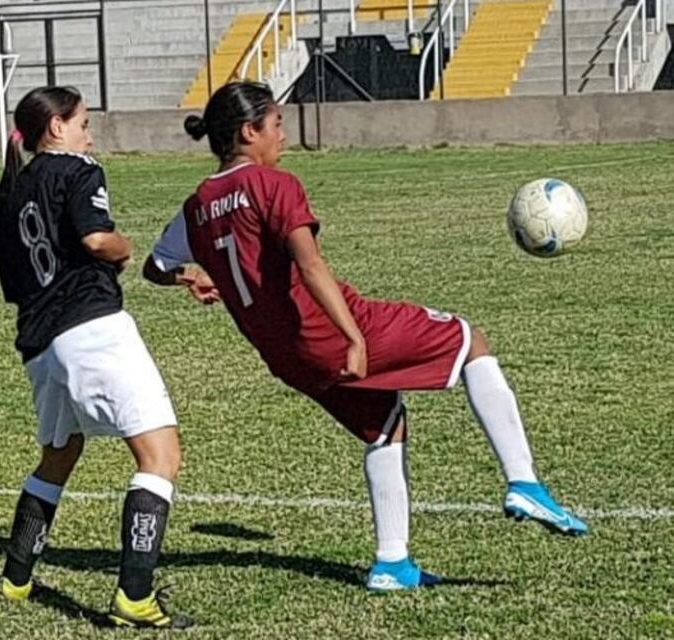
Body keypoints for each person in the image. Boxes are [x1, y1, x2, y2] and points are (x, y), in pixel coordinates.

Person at [143, 82, 588, 592]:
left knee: (383, 424)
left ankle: (392, 564)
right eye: (277, 124)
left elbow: (155, 267)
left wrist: (189, 278)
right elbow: (310, 265)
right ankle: (523, 480)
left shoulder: (196, 205)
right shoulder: (274, 185)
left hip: (286, 358)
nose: (282, 136)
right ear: (249, 131)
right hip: (329, 332)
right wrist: (353, 336)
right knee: (470, 340)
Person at [0, 86, 193, 628]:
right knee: (161, 456)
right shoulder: (77, 169)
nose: (88, 133)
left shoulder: (13, 192)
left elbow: (19, 282)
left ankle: (14, 578)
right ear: (55, 128)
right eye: (82, 122)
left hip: (39, 343)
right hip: (92, 329)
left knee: (59, 455)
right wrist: (123, 248)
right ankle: (135, 597)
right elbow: (98, 240)